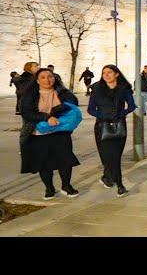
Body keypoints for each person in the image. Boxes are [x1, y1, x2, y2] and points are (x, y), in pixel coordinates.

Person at [19, 68, 81, 200]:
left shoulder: (62, 92)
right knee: (44, 163)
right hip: (39, 134)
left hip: (60, 132)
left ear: (55, 78)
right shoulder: (30, 95)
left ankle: (66, 185)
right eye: (43, 77)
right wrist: (46, 117)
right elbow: (26, 112)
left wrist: (57, 110)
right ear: (37, 80)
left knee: (65, 160)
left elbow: (73, 103)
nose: (47, 80)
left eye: (50, 76)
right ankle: (49, 188)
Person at [88, 65, 136, 197]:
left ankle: (107, 177)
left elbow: (132, 106)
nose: (106, 75)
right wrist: (103, 116)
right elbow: (90, 109)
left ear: (117, 74)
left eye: (109, 72)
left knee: (115, 156)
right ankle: (120, 185)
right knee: (108, 156)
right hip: (102, 126)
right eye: (104, 73)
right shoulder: (97, 89)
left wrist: (122, 113)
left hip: (119, 125)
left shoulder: (124, 89)